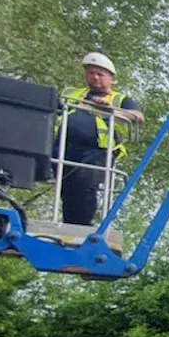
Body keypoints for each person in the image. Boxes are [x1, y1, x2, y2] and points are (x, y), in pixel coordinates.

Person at [54, 51, 144, 225]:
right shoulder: (72, 93)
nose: (95, 77)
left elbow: (138, 116)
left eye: (100, 74)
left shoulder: (119, 99)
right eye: (91, 73)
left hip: (98, 151)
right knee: (67, 188)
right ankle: (69, 224)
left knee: (85, 182)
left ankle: (82, 225)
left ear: (111, 77)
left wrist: (110, 110)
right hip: (65, 147)